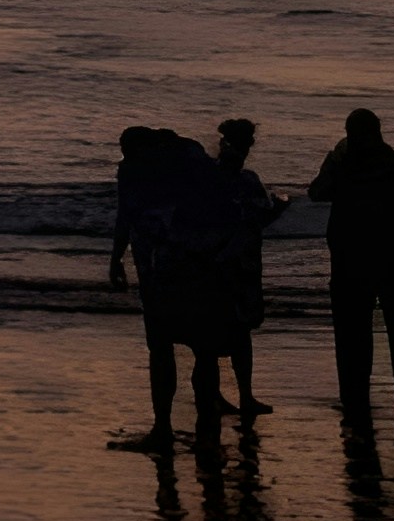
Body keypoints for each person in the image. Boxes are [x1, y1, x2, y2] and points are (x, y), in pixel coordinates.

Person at [309, 107, 394, 421]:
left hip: (350, 261)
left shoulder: (341, 165)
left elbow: (316, 192)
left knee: (352, 337)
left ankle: (354, 401)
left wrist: (334, 155)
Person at [108, 126, 225, 448]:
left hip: (158, 272)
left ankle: (163, 428)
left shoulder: (134, 169)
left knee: (161, 349)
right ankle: (207, 430)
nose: (123, 155)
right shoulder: (192, 161)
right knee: (203, 350)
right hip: (199, 265)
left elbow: (125, 215)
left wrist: (116, 257)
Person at [203, 118, 288, 417]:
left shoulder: (220, 176)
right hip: (231, 263)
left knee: (223, 331)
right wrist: (278, 210)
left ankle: (225, 396)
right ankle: (237, 396)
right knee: (232, 332)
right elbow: (256, 220)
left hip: (227, 262)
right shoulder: (240, 179)